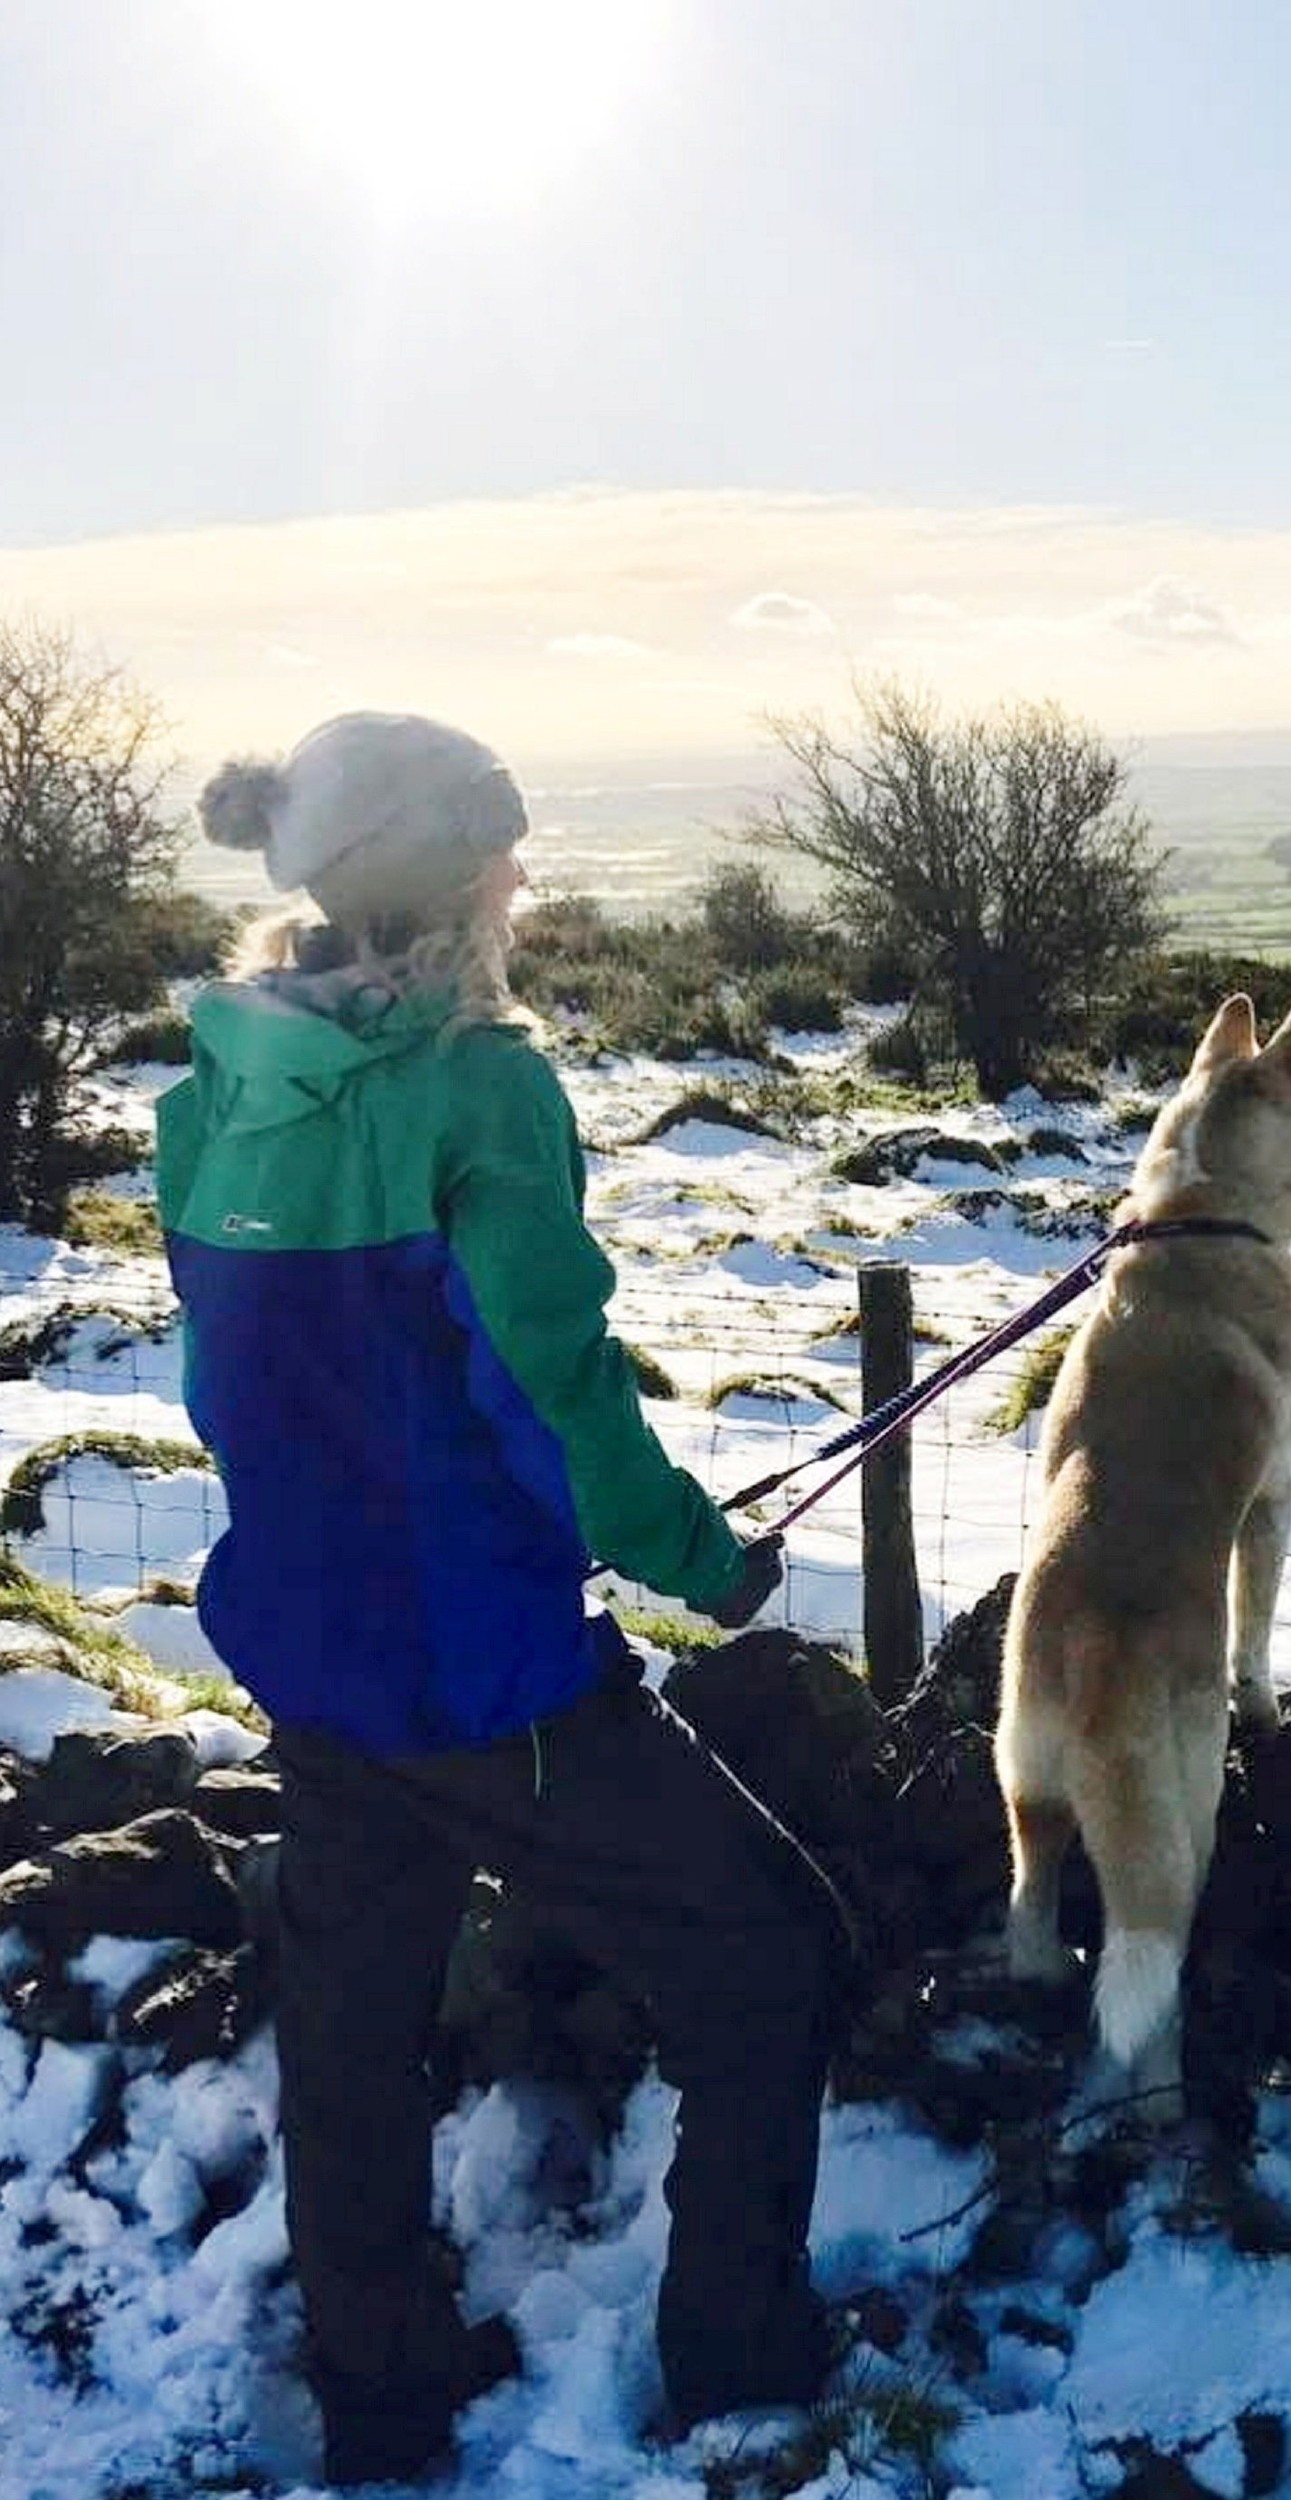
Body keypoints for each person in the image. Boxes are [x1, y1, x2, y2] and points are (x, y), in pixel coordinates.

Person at [155, 712, 853, 2487]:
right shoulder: (481, 1083)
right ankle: (736, 2364)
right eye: (506, 851)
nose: (527, 878)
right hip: (493, 1679)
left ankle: (380, 2385)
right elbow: (559, 1387)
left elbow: (244, 1387)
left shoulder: (212, 1091)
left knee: (351, 2028)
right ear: (456, 877)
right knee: (773, 1965)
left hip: (312, 1662)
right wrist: (705, 1558)